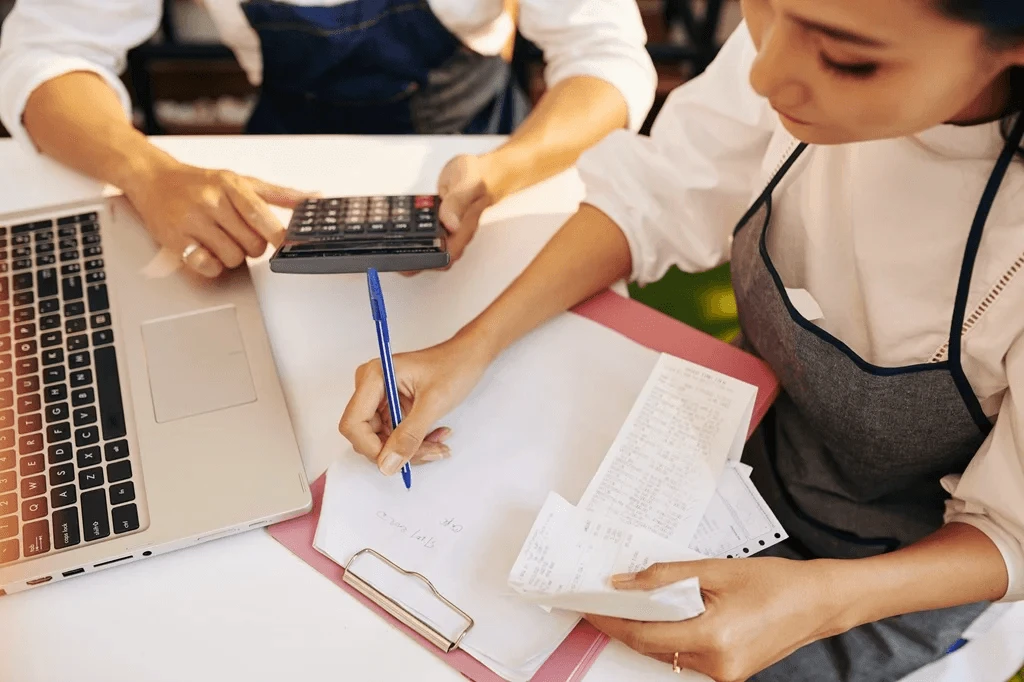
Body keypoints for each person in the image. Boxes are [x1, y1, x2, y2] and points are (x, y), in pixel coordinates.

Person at [338, 0, 1024, 680]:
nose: (765, 76)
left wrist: (822, 603)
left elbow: (1010, 530)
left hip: (917, 573)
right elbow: (658, 193)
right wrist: (472, 344)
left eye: (849, 60)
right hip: (744, 461)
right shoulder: (800, 33)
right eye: (760, 8)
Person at [0, 0, 655, 277]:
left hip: (485, 154)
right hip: (285, 170)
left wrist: (506, 169)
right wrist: (146, 171)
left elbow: (606, 56)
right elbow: (49, 54)